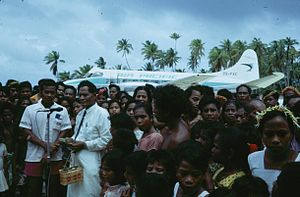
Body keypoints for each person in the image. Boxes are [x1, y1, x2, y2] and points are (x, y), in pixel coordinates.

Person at [19, 79, 72, 197]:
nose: (49, 95)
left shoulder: (61, 110)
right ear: (40, 92)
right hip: (34, 156)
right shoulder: (31, 109)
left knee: (53, 188)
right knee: (33, 188)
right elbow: (25, 130)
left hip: (55, 155)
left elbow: (64, 130)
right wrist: (45, 146)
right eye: (46, 92)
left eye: (52, 92)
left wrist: (52, 148)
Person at [66, 80, 111, 197]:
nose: (82, 98)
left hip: (91, 161)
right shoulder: (80, 113)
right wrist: (70, 140)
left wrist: (84, 144)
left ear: (94, 95)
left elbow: (106, 140)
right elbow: (78, 135)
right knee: (74, 192)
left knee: (89, 192)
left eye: (85, 95)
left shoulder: (102, 113)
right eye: (80, 95)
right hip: (75, 160)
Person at [248, 106, 300, 193]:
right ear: (261, 135)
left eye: (282, 134)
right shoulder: (253, 159)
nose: (275, 140)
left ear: (291, 135)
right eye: (269, 134)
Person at [153, 85, 190, 151]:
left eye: (157, 107)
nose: (154, 111)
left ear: (167, 111)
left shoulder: (176, 140)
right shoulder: (171, 127)